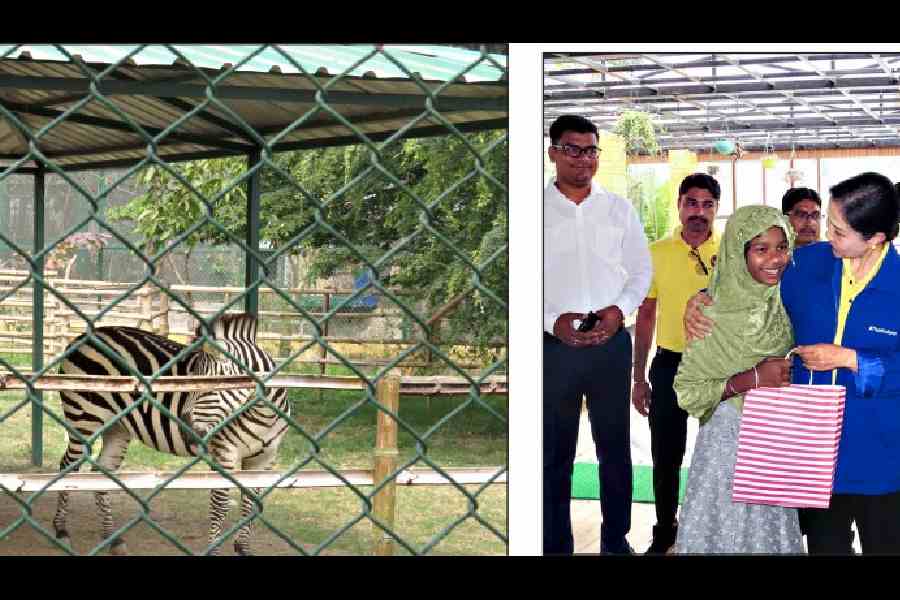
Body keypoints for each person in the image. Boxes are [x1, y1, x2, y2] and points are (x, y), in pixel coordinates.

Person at [683, 172, 900, 554]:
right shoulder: (809, 265)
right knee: (823, 545)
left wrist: (851, 359)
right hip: (811, 453)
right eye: (827, 223)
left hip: (878, 450)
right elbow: (746, 278)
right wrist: (702, 297)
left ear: (875, 239)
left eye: (838, 230)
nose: (822, 235)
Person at [543, 114, 652, 555]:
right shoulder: (533, 210)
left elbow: (642, 271)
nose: (582, 159)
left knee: (614, 449)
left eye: (590, 150)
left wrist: (618, 311)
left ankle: (615, 540)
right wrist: (550, 319)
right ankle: (553, 543)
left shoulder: (618, 209)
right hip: (554, 347)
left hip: (610, 344)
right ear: (553, 152)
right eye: (572, 149)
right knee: (554, 452)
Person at [672, 205, 803, 553]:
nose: (775, 259)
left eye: (781, 246)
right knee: (724, 536)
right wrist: (751, 379)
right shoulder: (710, 312)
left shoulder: (787, 299)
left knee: (767, 537)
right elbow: (688, 390)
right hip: (728, 447)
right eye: (761, 249)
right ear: (737, 253)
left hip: (774, 444)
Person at [631, 173, 721, 554]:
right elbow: (646, 315)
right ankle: (665, 530)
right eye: (691, 203)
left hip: (719, 366)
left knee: (719, 454)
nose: (698, 212)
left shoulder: (733, 251)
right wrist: (638, 376)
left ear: (716, 208)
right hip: (670, 365)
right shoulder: (656, 252)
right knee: (666, 455)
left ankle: (715, 530)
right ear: (679, 205)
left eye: (707, 205)